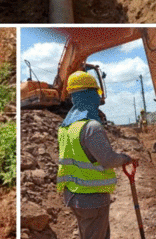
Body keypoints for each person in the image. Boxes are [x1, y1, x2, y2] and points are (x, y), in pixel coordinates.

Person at [57, 71, 135, 239]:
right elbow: (108, 160)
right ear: (90, 94)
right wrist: (126, 158)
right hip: (92, 198)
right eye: (96, 93)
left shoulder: (66, 128)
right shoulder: (91, 127)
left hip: (73, 196)